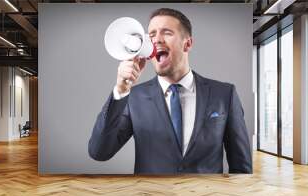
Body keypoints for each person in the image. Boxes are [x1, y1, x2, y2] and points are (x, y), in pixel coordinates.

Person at [88, 8, 252, 174]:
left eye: (166, 32)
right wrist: (121, 90)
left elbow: (241, 166)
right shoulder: (134, 98)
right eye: (151, 35)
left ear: (187, 44)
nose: (157, 39)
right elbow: (99, 152)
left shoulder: (224, 94)